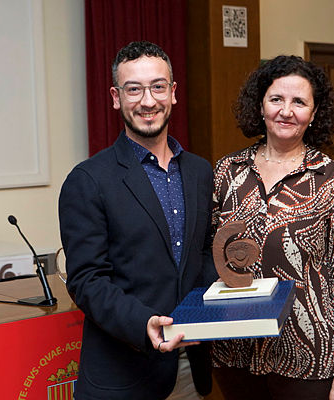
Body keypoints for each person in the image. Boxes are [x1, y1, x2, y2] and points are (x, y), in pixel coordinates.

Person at [211, 55, 334, 400]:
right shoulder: (227, 172)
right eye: (277, 99)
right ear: (260, 106)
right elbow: (206, 255)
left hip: (306, 352)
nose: (286, 111)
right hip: (234, 351)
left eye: (299, 102)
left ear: (314, 114)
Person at [59, 41, 217, 400]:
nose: (148, 101)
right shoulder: (88, 180)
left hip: (191, 368)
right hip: (122, 374)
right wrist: (143, 324)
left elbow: (205, 252)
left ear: (173, 92)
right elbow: (86, 280)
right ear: (116, 97)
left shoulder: (199, 172)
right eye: (134, 89)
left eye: (158, 86)